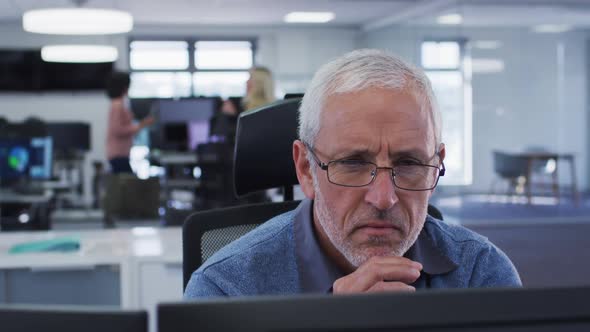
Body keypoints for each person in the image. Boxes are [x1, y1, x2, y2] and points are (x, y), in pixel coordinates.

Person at [184, 49, 521, 298]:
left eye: (410, 164)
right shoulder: (225, 290)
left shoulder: (481, 274)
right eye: (354, 163)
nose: (384, 198)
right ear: (306, 169)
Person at [105, 71, 154, 174]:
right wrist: (142, 125)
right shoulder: (117, 105)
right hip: (118, 154)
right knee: (129, 185)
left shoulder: (119, 104)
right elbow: (117, 130)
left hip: (121, 153)